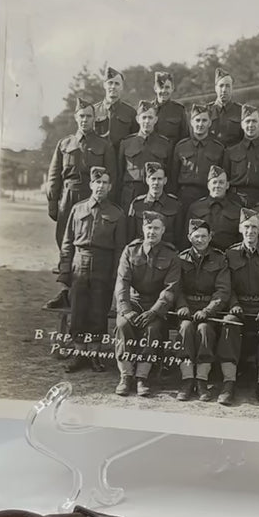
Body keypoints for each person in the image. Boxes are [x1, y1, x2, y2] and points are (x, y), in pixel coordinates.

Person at [57, 167, 128, 372]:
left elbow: (120, 249)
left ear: (110, 187)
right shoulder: (78, 209)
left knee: (98, 312)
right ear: (90, 185)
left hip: (103, 265)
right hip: (80, 263)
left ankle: (94, 355)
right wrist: (65, 271)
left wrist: (115, 276)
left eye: (105, 183)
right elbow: (67, 242)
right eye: (97, 182)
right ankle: (80, 355)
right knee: (78, 312)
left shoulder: (117, 213)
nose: (101, 186)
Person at [216, 209, 259, 408]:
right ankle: (228, 383)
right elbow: (226, 286)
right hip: (239, 309)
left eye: (254, 227)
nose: (250, 231)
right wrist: (234, 305)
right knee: (229, 323)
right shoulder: (230, 254)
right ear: (240, 229)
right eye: (246, 227)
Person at [113, 212, 181, 397]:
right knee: (123, 325)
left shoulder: (171, 254)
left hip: (155, 305)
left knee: (153, 329)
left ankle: (142, 377)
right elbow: (122, 282)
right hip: (133, 302)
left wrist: (155, 312)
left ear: (163, 230)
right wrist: (126, 310)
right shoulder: (130, 251)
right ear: (143, 229)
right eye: (149, 228)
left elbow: (170, 288)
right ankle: (126, 375)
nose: (152, 232)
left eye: (156, 228)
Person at [45, 97, 116, 252]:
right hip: (69, 195)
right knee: (64, 233)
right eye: (82, 116)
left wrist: (106, 202)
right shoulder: (65, 144)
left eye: (88, 116)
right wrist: (52, 202)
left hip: (92, 195)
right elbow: (54, 176)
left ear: (94, 118)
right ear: (76, 118)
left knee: (89, 233)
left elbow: (111, 176)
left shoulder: (104, 145)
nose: (85, 120)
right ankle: (64, 263)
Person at [173, 219, 231, 401]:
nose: (200, 240)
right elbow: (176, 287)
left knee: (204, 330)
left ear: (210, 237)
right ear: (189, 237)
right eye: (196, 236)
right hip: (187, 309)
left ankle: (201, 380)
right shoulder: (180, 259)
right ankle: (187, 379)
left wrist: (208, 311)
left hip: (209, 310)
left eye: (204, 236)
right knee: (185, 329)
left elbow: (223, 290)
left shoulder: (220, 259)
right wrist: (181, 305)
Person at [116, 100, 172, 214]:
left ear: (156, 120)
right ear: (138, 119)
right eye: (144, 117)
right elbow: (119, 173)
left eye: (150, 118)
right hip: (131, 193)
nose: (147, 121)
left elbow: (170, 173)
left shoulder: (165, 144)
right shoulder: (126, 143)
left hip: (155, 193)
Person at [170, 103, 225, 214]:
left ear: (210, 123)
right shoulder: (181, 146)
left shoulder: (218, 148)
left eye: (204, 120)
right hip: (185, 196)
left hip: (208, 195)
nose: (200, 124)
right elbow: (173, 175)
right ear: (191, 122)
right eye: (197, 120)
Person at [222, 104, 259, 208]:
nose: (250, 125)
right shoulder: (230, 152)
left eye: (254, 121)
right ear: (242, 125)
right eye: (247, 121)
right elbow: (224, 179)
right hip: (235, 200)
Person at [125, 162, 183, 247]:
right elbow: (130, 237)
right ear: (147, 180)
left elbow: (179, 237)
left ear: (165, 181)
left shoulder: (175, 205)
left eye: (159, 179)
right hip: (141, 251)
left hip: (166, 252)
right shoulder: (137, 205)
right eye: (153, 179)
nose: (156, 182)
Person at [187, 166, 243, 253]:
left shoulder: (237, 209)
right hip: (201, 255)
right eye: (214, 182)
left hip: (228, 255)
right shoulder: (195, 207)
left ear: (227, 185)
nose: (217, 186)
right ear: (208, 185)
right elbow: (185, 238)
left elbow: (241, 239)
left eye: (221, 182)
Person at [94, 65, 138, 150]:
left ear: (121, 87)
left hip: (121, 156)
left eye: (117, 84)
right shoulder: (94, 111)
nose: (113, 87)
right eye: (110, 83)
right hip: (99, 156)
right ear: (104, 85)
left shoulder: (131, 112)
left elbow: (135, 140)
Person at [208, 67, 243, 147]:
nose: (224, 90)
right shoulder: (207, 111)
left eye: (227, 86)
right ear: (215, 88)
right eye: (221, 86)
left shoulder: (240, 111)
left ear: (232, 88)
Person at [151, 70, 189, 145]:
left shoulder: (179, 110)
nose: (164, 90)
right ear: (155, 88)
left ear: (172, 88)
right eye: (161, 87)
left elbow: (185, 138)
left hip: (172, 151)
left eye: (167, 87)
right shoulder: (147, 109)